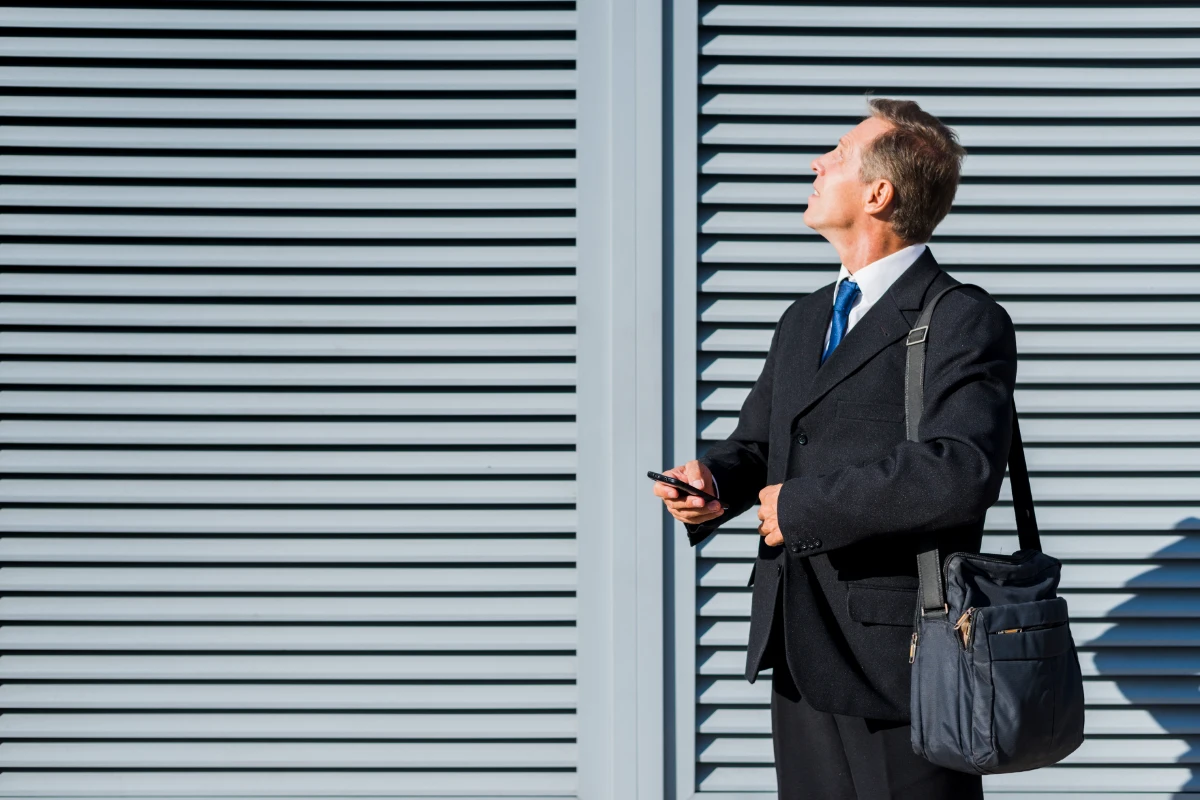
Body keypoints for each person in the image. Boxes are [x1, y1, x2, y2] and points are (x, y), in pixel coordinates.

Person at [654, 98, 1017, 799]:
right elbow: (760, 445)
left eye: (839, 153)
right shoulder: (803, 318)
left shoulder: (962, 317)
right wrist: (714, 485)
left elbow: (960, 470)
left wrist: (803, 505)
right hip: (799, 643)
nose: (817, 164)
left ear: (879, 193)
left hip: (906, 663)